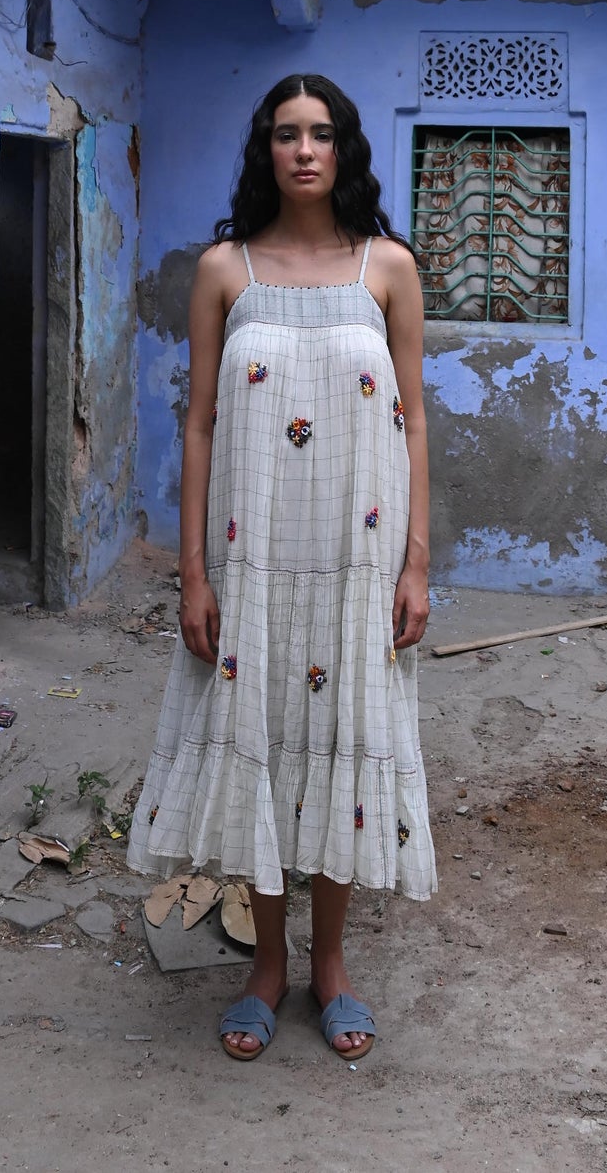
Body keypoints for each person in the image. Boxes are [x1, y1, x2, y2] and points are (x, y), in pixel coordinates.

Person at [127, 73, 436, 1061]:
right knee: (261, 749)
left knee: (339, 749)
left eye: (319, 134)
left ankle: (329, 969)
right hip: (250, 565)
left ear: (344, 148)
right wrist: (192, 575)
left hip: (356, 564)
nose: (302, 151)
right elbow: (199, 423)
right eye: (282, 135)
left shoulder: (386, 268)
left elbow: (415, 420)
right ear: (263, 151)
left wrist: (414, 565)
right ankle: (265, 969)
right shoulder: (226, 270)